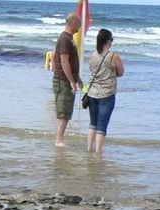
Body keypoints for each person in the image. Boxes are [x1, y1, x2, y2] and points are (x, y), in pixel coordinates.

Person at [85, 28, 124, 154]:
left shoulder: (92, 55)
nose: (112, 42)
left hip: (92, 93)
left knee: (93, 123)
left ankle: (89, 148)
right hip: (107, 93)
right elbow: (121, 73)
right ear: (108, 41)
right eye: (111, 40)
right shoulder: (113, 56)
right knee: (102, 124)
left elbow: (92, 70)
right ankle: (98, 151)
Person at [52, 13, 83, 148]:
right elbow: (64, 61)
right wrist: (71, 80)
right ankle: (59, 141)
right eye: (79, 23)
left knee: (64, 111)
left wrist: (77, 78)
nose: (81, 26)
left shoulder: (69, 39)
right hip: (63, 81)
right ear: (73, 23)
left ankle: (59, 139)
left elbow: (56, 57)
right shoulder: (64, 39)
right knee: (64, 112)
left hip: (66, 79)